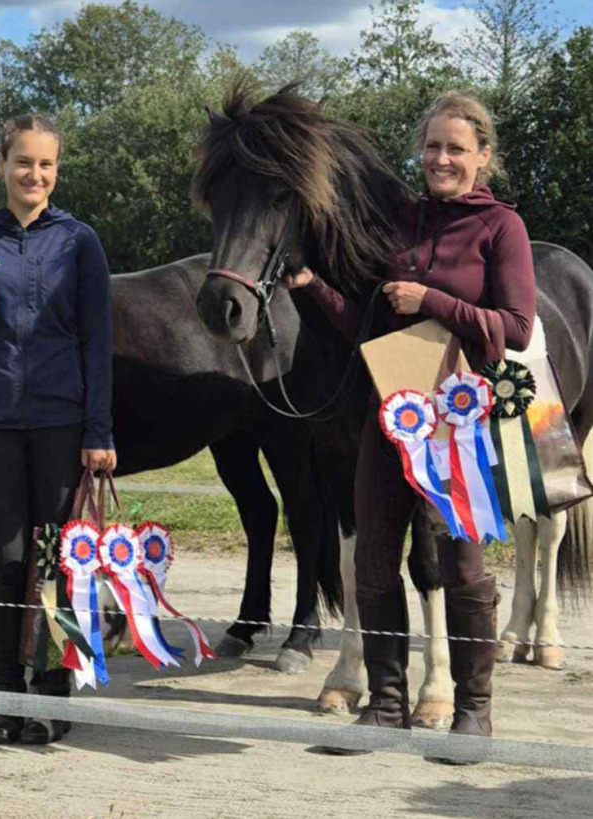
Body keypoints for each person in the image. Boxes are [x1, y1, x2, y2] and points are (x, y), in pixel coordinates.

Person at [286, 92, 536, 759]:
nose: (441, 158)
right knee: (373, 559)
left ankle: (474, 712)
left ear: (483, 156)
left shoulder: (500, 227)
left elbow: (516, 327)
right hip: (391, 412)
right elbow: (368, 325)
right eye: (432, 146)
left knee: (461, 565)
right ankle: (386, 704)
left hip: (459, 417)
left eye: (456, 148)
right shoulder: (400, 222)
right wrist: (314, 287)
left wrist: (433, 299)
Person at [0, 113, 116, 745]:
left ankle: (53, 696)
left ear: (56, 171)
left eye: (45, 164)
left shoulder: (80, 242)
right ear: (2, 165)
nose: (34, 174)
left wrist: (99, 431)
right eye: (23, 162)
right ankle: (8, 698)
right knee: (5, 565)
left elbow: (97, 343)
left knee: (59, 566)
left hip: (61, 426)